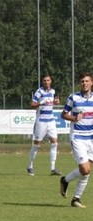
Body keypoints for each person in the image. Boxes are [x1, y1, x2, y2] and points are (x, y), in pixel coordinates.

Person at [59, 72, 93, 208]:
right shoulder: (73, 98)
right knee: (84, 170)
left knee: (87, 171)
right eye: (82, 81)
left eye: (87, 81)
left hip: (91, 138)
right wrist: (74, 118)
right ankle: (65, 180)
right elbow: (63, 114)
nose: (84, 83)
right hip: (78, 137)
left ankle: (76, 199)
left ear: (91, 83)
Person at [27, 74, 61, 176]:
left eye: (48, 80)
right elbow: (32, 105)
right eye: (44, 80)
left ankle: (53, 168)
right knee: (37, 144)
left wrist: (56, 102)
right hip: (41, 121)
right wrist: (40, 103)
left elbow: (52, 103)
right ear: (42, 82)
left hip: (51, 120)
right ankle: (30, 166)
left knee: (55, 143)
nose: (46, 82)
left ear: (51, 81)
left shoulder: (53, 91)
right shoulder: (39, 92)